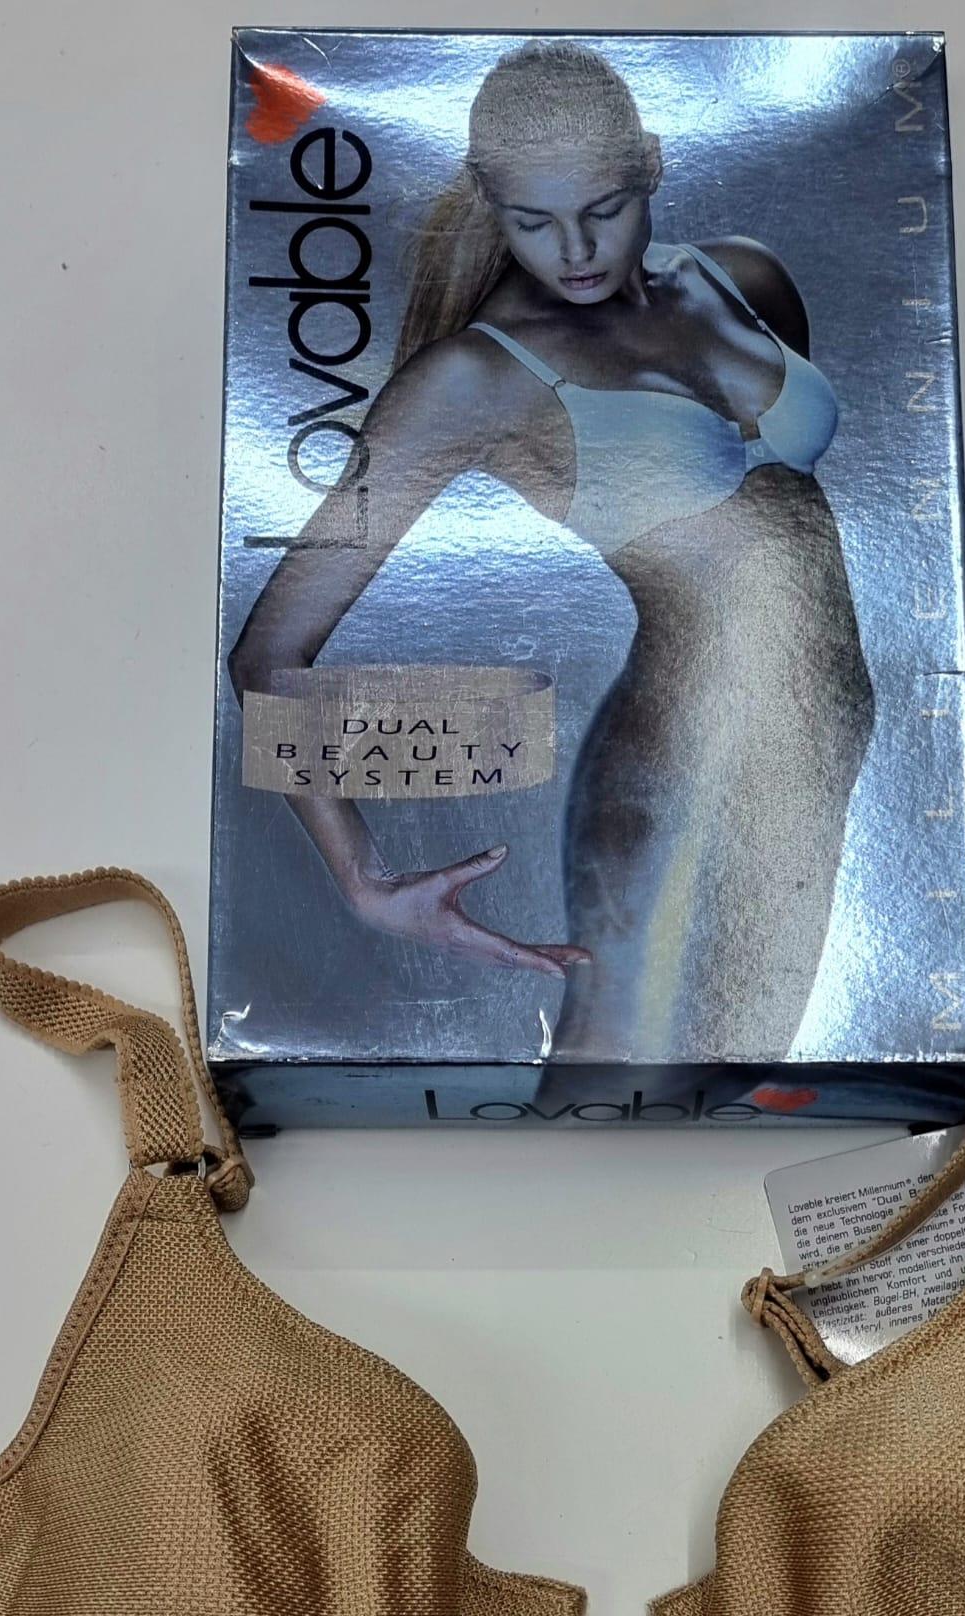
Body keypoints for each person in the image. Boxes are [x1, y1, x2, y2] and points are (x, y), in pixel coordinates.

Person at [229, 38, 875, 1063]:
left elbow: (794, 507)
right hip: (679, 771)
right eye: (533, 221)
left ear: (651, 165)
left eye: (603, 209)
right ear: (489, 198)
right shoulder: (472, 380)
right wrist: (364, 885)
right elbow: (268, 653)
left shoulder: (740, 276)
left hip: (814, 746)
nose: (573, 250)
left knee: (749, 1085)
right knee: (624, 1082)